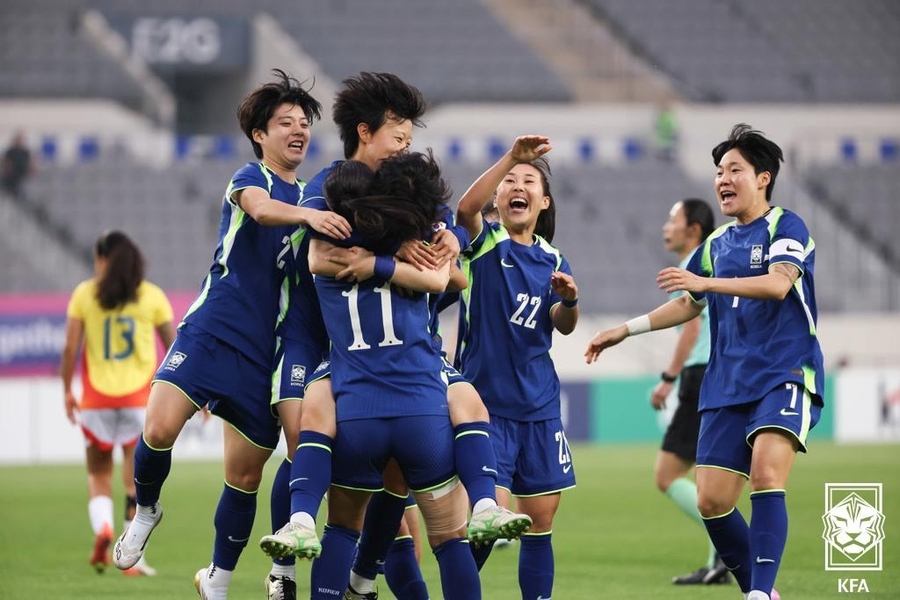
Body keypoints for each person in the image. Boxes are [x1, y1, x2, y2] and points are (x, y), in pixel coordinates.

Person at [260, 72, 529, 598]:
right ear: (366, 133)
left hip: (359, 370)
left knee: (339, 472)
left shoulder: (397, 189)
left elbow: (444, 259)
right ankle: (483, 502)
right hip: (398, 364)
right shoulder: (336, 188)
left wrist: (434, 240)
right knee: (459, 427)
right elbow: (437, 275)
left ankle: (320, 543)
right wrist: (399, 253)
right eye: (399, 138)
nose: (406, 149)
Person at [111, 69, 352, 600]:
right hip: (212, 329)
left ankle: (217, 581)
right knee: (158, 427)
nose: (298, 130)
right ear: (260, 136)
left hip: (265, 354)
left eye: (303, 122)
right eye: (284, 122)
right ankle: (146, 509)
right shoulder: (252, 179)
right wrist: (310, 221)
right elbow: (263, 213)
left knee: (244, 478)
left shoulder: (316, 198)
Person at [585, 124, 824, 600]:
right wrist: (625, 330)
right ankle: (762, 591)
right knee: (712, 501)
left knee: (766, 476)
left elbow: (778, 284)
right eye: (718, 172)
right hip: (726, 384)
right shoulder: (716, 243)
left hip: (783, 373)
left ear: (763, 178)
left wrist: (706, 284)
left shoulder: (785, 226)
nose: (723, 180)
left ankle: (759, 594)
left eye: (734, 169)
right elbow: (686, 304)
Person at [305, 152, 482, 599]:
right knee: (448, 540)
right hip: (420, 414)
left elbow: (314, 257)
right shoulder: (422, 262)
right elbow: (451, 281)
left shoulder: (326, 259)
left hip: (356, 415)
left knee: (342, 531)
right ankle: (484, 501)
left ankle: (303, 526)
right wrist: (441, 238)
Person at [454, 135, 580, 599]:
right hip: (485, 410)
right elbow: (466, 210)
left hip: (540, 407)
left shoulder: (553, 259)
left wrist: (570, 300)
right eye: (509, 181)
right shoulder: (485, 244)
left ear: (543, 202)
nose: (517, 186)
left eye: (528, 180)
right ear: (500, 198)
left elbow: (561, 325)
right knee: (487, 524)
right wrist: (510, 156)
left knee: (540, 524)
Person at [60, 230, 175, 577]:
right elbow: (174, 346)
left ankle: (103, 530)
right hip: (140, 401)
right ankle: (131, 559)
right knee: (134, 482)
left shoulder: (84, 294)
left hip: (96, 401)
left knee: (98, 475)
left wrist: (67, 389)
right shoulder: (152, 296)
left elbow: (70, 349)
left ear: (103, 260)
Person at [650, 198, 728, 585]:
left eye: (672, 219)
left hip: (698, 376)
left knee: (666, 475)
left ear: (693, 229)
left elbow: (692, 328)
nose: (666, 227)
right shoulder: (717, 261)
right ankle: (720, 561)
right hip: (719, 373)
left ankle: (732, 542)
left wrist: (668, 377)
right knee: (706, 474)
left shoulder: (690, 268)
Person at [1, 131, 35, 197]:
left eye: (21, 140)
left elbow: (31, 164)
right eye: (18, 139)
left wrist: (31, 169)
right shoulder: (10, 152)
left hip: (23, 176)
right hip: (11, 176)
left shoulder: (26, 152)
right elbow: (5, 163)